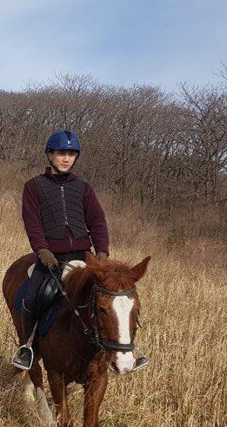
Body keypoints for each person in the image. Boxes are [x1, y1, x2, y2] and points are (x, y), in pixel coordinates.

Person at [11, 130, 150, 371]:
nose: (66, 158)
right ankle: (28, 348)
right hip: (51, 258)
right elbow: (32, 222)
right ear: (50, 154)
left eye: (71, 154)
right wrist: (42, 250)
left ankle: (124, 349)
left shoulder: (84, 189)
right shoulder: (34, 186)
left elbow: (97, 221)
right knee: (33, 298)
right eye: (61, 153)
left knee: (115, 300)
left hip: (82, 256)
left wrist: (102, 252)